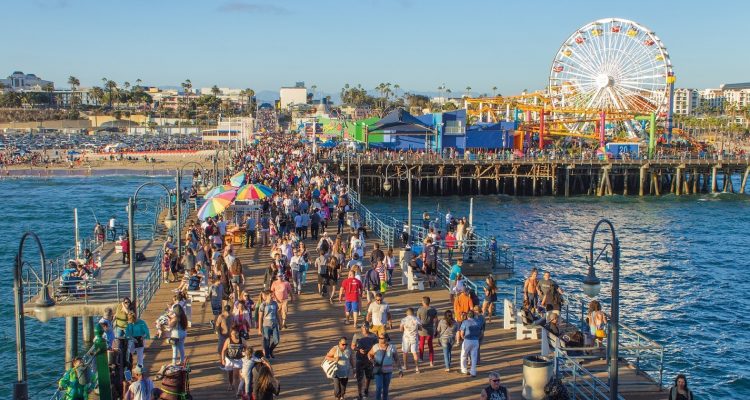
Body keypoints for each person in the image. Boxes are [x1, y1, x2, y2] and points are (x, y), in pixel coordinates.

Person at [368, 333, 402, 400]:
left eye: (382, 338)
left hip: (388, 371)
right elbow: (369, 354)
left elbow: (397, 359)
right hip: (378, 370)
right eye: (379, 338)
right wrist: (372, 361)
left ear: (386, 339)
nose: (380, 339)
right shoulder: (376, 346)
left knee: (386, 388)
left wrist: (400, 370)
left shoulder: (392, 347)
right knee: (379, 387)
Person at [352, 322, 377, 400]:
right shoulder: (356, 335)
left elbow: (376, 346)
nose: (365, 328)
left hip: (369, 359)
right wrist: (358, 349)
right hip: (359, 358)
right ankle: (359, 393)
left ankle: (366, 390)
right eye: (364, 327)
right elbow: (352, 346)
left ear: (369, 327)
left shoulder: (374, 336)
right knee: (359, 377)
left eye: (366, 327)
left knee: (368, 376)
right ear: (361, 327)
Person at [258, 290, 281, 358]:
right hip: (266, 326)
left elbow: (277, 314)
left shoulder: (275, 303)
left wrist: (280, 323)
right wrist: (259, 329)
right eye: (271, 295)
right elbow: (260, 317)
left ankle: (271, 350)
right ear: (267, 296)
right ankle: (267, 355)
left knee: (276, 340)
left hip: (274, 324)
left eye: (272, 295)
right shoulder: (263, 305)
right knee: (266, 341)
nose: (272, 296)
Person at [417, 296, 438, 367]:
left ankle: (421, 358)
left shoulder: (420, 310)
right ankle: (431, 361)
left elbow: (418, 320)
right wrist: (436, 328)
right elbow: (436, 320)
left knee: (421, 344)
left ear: (423, 302)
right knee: (430, 345)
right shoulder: (433, 309)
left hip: (422, 330)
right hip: (430, 329)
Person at [459, 310, 481, 377]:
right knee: (474, 356)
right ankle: (473, 371)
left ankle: (464, 369)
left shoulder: (465, 322)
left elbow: (462, 332)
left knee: (464, 355)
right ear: (473, 315)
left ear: (467, 315)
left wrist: (463, 338)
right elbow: (481, 332)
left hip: (467, 340)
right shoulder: (478, 322)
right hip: (476, 340)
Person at [399, 307, 421, 373]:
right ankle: (417, 367)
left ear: (406, 313)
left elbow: (401, 329)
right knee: (414, 352)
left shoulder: (404, 320)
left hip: (406, 338)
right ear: (413, 313)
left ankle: (405, 365)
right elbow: (420, 328)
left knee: (405, 352)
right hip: (414, 338)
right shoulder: (417, 319)